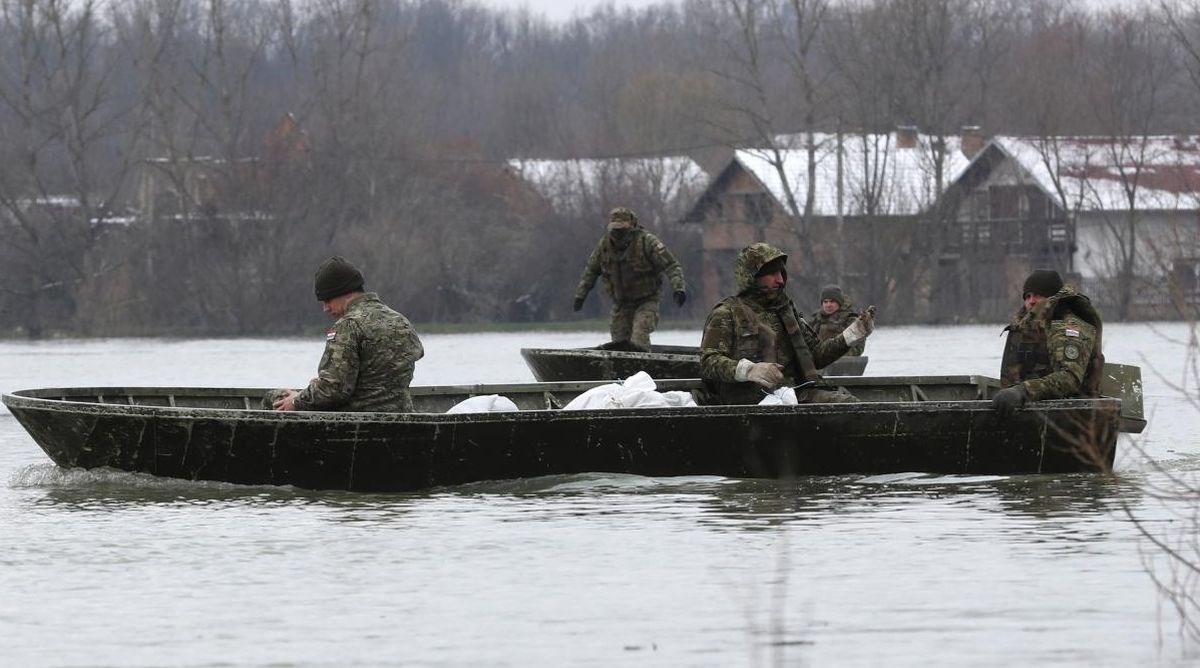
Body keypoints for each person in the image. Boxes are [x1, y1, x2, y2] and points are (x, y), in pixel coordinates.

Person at [698, 242, 875, 405]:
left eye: (781, 273)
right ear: (752, 276)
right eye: (773, 274)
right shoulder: (727, 314)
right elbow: (708, 362)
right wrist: (747, 370)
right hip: (749, 404)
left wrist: (851, 335)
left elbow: (816, 356)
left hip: (793, 396)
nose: (780, 280)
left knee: (849, 405)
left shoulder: (786, 311)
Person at [267, 256, 425, 413]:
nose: (325, 308)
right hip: (400, 414)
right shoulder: (400, 320)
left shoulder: (347, 325)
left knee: (275, 398)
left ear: (346, 293)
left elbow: (333, 390)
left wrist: (297, 400)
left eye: (327, 300)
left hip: (356, 417)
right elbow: (395, 364)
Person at [992, 269, 1104, 418]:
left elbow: (1069, 379)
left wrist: (1023, 391)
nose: (1031, 301)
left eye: (1038, 295)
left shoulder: (1067, 326)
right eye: (1028, 296)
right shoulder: (1025, 326)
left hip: (1071, 416)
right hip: (1031, 410)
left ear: (1053, 297)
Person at [573, 207, 687, 351]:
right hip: (621, 303)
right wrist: (580, 295)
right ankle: (623, 371)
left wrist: (678, 288)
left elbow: (671, 265)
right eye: (615, 229)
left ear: (631, 226)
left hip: (647, 301)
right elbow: (591, 270)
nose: (618, 233)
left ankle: (643, 368)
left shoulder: (647, 242)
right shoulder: (605, 246)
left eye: (622, 229)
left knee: (639, 336)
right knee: (619, 343)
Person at [810, 284, 865, 356]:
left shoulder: (851, 321)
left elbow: (858, 349)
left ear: (839, 303)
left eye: (832, 301)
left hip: (842, 363)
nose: (828, 305)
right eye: (825, 302)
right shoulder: (816, 321)